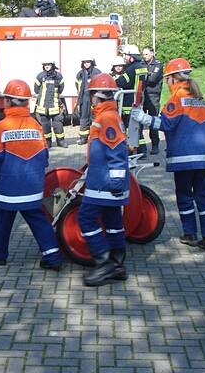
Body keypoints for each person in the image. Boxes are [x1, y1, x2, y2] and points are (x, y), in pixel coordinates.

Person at [131, 58, 205, 252]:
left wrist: (143, 118)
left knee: (185, 196)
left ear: (171, 78)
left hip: (185, 158)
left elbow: (167, 124)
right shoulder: (199, 99)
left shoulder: (177, 98)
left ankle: (190, 234)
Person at [0, 79, 63, 270]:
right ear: (27, 102)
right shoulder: (35, 125)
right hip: (33, 186)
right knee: (39, 221)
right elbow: (44, 156)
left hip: (7, 188)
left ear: (8, 101)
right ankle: (53, 257)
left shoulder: (1, 127)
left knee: (2, 222)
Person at [77, 73, 130, 286]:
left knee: (86, 218)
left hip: (105, 184)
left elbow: (117, 153)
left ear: (97, 96)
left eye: (91, 95)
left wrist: (116, 183)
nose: (90, 99)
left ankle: (105, 262)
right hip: (107, 182)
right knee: (113, 221)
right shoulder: (109, 115)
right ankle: (117, 264)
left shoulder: (106, 118)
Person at [121, 44, 148, 155]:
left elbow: (121, 82)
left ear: (131, 56)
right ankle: (142, 150)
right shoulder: (142, 66)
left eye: (126, 55)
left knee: (129, 127)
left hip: (129, 102)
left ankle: (132, 151)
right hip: (139, 100)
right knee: (137, 127)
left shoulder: (131, 68)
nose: (124, 57)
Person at [34, 60, 67, 148]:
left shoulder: (58, 76)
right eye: (45, 65)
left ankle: (61, 141)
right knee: (45, 124)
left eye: (48, 65)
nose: (47, 66)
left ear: (52, 65)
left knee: (58, 123)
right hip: (43, 105)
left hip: (55, 104)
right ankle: (47, 142)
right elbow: (36, 89)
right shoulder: (40, 76)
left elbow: (61, 88)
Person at [141, 46, 163, 154]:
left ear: (152, 53)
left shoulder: (158, 64)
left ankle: (155, 145)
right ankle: (141, 147)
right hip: (142, 95)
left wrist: (145, 75)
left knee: (153, 122)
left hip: (153, 95)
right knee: (140, 121)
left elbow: (152, 79)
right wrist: (148, 74)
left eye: (146, 54)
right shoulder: (141, 63)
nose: (144, 56)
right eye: (143, 54)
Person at [75, 58, 101, 145]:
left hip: (95, 99)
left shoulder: (97, 72)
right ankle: (83, 138)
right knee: (84, 118)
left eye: (88, 62)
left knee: (96, 119)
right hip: (84, 99)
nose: (86, 64)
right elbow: (77, 85)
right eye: (84, 62)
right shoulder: (80, 73)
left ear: (92, 62)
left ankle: (96, 137)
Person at [110, 56, 134, 130]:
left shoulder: (126, 76)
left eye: (120, 66)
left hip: (125, 102)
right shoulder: (110, 76)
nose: (118, 67)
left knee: (125, 122)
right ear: (113, 66)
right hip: (114, 103)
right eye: (116, 66)